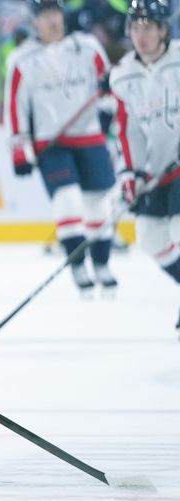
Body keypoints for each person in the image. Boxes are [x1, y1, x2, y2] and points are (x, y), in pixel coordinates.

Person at [3, 0, 118, 294]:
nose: (52, 20)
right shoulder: (22, 59)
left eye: (55, 13)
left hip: (90, 137)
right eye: (44, 15)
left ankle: (102, 264)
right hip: (51, 143)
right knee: (67, 201)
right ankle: (79, 268)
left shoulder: (88, 47)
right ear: (34, 22)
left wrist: (107, 114)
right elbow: (15, 108)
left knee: (98, 204)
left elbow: (108, 86)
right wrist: (20, 148)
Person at [109, 0, 180, 336]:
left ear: (163, 30)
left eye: (148, 27)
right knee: (151, 239)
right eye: (135, 28)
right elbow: (127, 131)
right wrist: (130, 174)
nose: (141, 35)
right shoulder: (123, 76)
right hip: (155, 171)